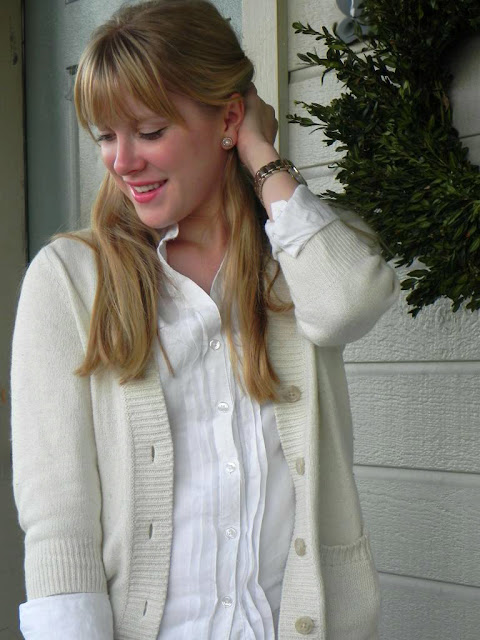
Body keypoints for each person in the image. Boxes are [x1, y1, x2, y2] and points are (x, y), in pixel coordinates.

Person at [11, 1, 400, 638]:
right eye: (106, 136)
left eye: (149, 131)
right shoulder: (70, 281)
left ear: (228, 118)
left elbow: (349, 304)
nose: (121, 161)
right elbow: (60, 521)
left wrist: (262, 156)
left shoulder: (295, 254)